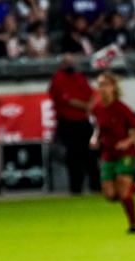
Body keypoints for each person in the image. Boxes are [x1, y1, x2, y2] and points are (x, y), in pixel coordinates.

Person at [90, 71, 135, 234]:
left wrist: (127, 141)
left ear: (114, 87)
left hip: (126, 154)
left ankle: (133, 225)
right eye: (100, 85)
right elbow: (98, 127)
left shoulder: (122, 108)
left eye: (106, 84)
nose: (103, 88)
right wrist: (94, 138)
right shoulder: (98, 108)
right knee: (110, 195)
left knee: (123, 194)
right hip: (108, 154)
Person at [48, 54, 100, 194]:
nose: (70, 65)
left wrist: (90, 105)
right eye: (67, 62)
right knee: (73, 155)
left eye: (72, 62)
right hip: (68, 122)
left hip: (83, 121)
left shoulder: (79, 77)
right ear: (62, 64)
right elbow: (66, 99)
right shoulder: (58, 78)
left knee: (90, 154)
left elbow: (92, 95)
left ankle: (96, 185)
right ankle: (76, 187)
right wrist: (86, 106)